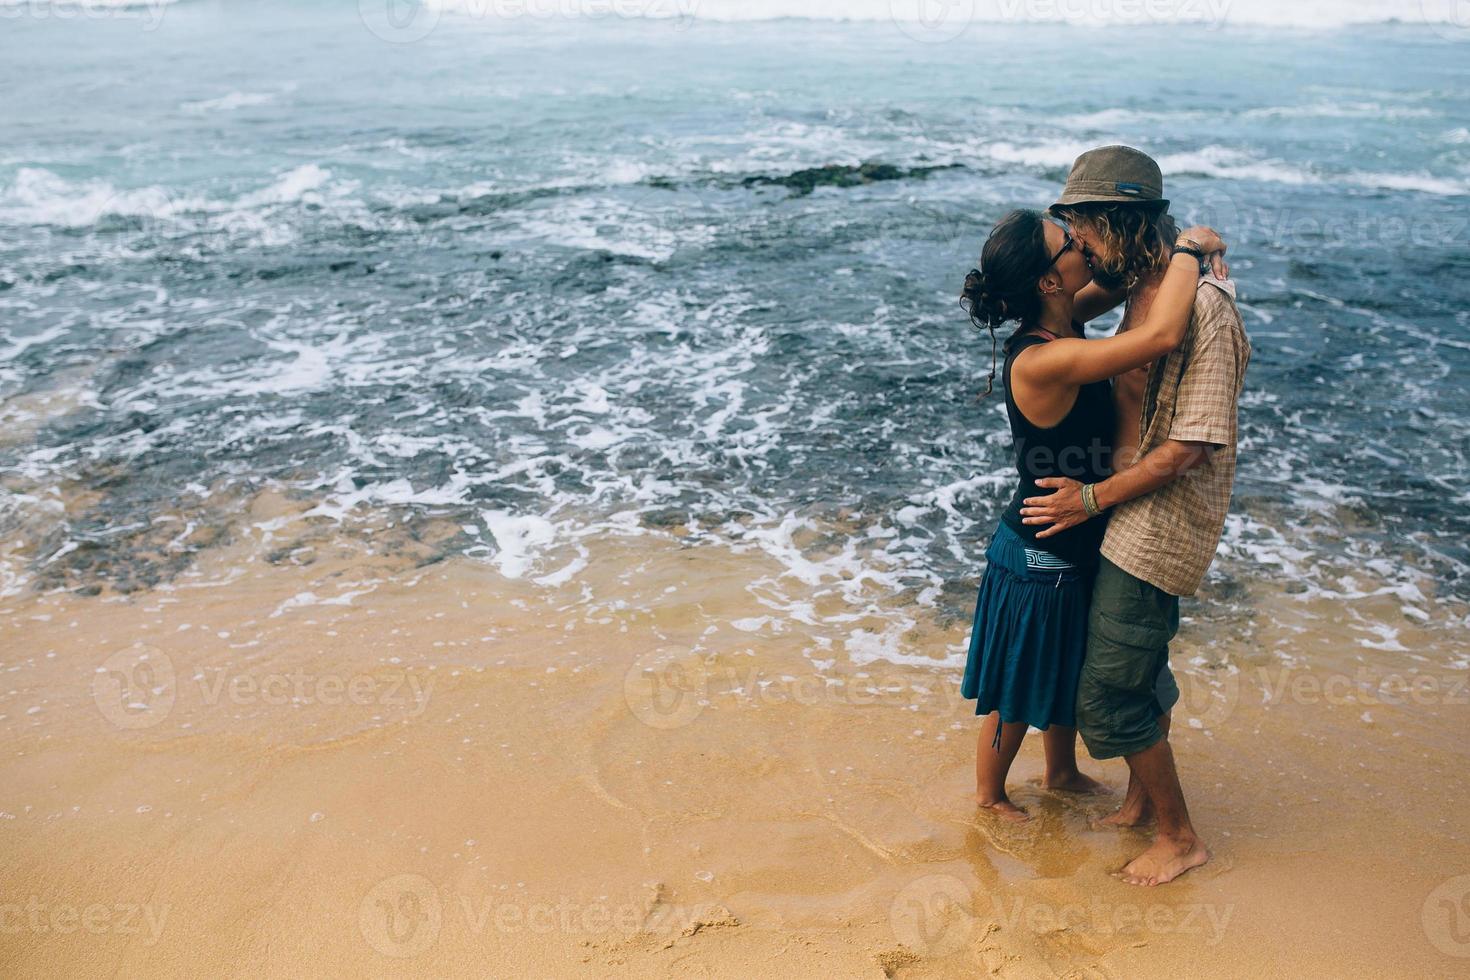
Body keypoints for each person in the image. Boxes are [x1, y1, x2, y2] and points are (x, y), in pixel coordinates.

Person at [1023, 145, 1251, 884]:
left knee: (1108, 691)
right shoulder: (1140, 284)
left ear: (1121, 221)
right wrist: (1191, 247)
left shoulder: (1205, 309)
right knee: (1139, 661)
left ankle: (1181, 837)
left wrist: (1089, 497)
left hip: (1157, 517)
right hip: (1121, 509)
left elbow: (1189, 446)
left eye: (1084, 227)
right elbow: (1067, 315)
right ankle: (1142, 802)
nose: (1078, 245)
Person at [958, 206, 1226, 823]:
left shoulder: (1067, 319)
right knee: (1019, 683)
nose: (1083, 244)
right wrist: (1189, 248)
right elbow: (1158, 336)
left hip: (1070, 530)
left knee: (1062, 663)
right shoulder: (1041, 358)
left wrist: (1158, 248)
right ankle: (989, 796)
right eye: (1070, 243)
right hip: (1040, 545)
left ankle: (1061, 771)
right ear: (1051, 280)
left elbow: (1129, 280)